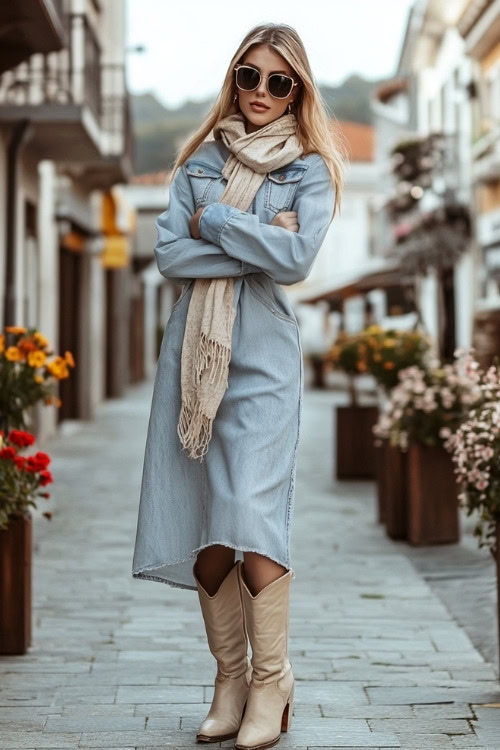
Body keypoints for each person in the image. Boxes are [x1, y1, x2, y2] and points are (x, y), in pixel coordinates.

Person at [131, 21, 346, 750]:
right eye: (249, 75)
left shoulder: (309, 169)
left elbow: (295, 261)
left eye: (277, 80)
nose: (260, 91)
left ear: (297, 91)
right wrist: (256, 236)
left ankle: (272, 680)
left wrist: (217, 218)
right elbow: (169, 254)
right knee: (207, 534)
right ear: (234, 79)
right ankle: (229, 677)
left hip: (264, 365)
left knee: (250, 518)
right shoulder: (201, 159)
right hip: (194, 362)